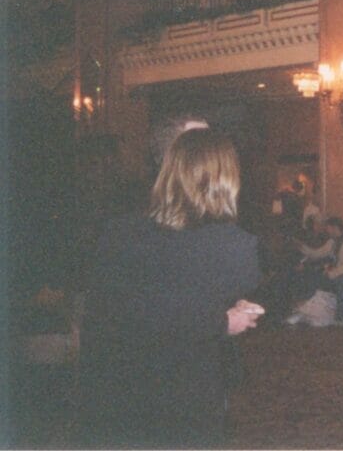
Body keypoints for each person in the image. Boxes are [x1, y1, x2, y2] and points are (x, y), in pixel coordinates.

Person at [77, 128, 263, 448]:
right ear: (227, 177)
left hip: (118, 386)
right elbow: (225, 292)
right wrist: (225, 320)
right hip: (188, 388)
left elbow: (111, 310)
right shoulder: (234, 245)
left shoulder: (118, 233)